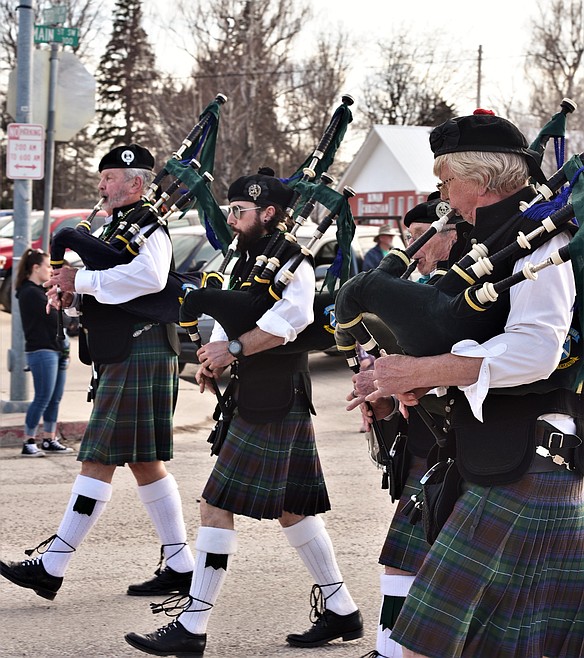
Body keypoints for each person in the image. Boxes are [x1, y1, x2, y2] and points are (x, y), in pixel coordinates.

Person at [363, 111, 583, 657]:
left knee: (428, 645)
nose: (440, 192)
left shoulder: (538, 242)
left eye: (445, 179)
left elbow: (537, 348)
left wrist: (426, 371)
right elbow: (474, 339)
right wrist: (417, 383)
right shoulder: (483, 245)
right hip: (491, 454)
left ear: (479, 181)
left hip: (529, 460)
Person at [124, 170, 363, 657]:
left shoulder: (293, 261)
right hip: (257, 394)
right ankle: (342, 609)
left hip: (275, 396)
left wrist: (231, 350)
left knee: (216, 503)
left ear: (269, 213)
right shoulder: (247, 258)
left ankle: (193, 625)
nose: (231, 219)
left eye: (240, 211)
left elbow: (287, 325)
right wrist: (215, 355)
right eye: (230, 209)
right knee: (292, 509)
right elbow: (232, 314)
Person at [0, 144, 195, 601]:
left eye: (109, 177)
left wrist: (80, 281)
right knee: (145, 462)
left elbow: (149, 278)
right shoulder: (121, 226)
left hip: (140, 347)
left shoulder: (150, 225)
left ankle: (53, 565)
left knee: (99, 455)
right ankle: (181, 564)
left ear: (136, 182)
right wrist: (74, 294)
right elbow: (115, 278)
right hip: (128, 348)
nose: (102, 185)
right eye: (103, 177)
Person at [348, 196, 464, 658]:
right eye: (408, 237)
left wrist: (414, 380)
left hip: (472, 447)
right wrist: (382, 388)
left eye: (421, 237)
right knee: (402, 560)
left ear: (450, 234)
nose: (412, 248)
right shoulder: (409, 294)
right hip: (427, 443)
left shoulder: (466, 291)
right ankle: (384, 649)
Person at [15, 248, 72, 457]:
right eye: (48, 266)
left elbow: (61, 318)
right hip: (41, 350)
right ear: (35, 268)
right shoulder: (29, 292)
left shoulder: (39, 291)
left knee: (55, 397)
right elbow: (54, 318)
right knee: (43, 397)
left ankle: (49, 438)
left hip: (56, 349)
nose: (51, 270)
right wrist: (65, 314)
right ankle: (28, 441)